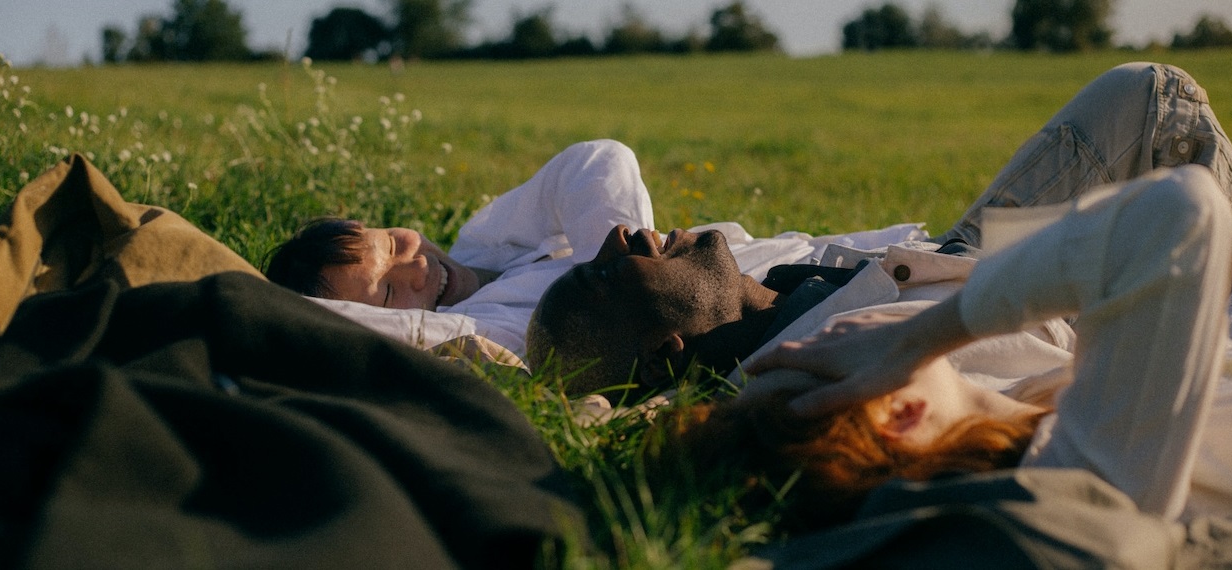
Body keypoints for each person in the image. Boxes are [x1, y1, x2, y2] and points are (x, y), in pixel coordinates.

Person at [525, 62, 1232, 525]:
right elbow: (1179, 220)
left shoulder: (768, 276)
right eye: (601, 274)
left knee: (1146, 96)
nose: (624, 236)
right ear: (662, 359)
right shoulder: (791, 391)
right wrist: (912, 338)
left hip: (964, 263)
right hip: (1029, 299)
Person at [267, 140, 924, 357]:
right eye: (386, 289)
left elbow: (595, 161)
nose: (415, 270)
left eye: (395, 243)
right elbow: (342, 322)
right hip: (853, 297)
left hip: (859, 251)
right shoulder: (486, 327)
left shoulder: (486, 242)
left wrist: (621, 265)